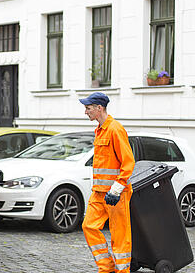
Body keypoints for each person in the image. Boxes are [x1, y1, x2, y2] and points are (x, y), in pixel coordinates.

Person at [79, 92, 135, 273]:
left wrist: (117, 189)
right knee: (88, 226)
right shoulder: (100, 129)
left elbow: (128, 162)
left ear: (99, 108)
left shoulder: (115, 129)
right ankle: (107, 267)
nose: (86, 112)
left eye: (88, 108)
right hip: (99, 192)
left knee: (119, 236)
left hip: (116, 193)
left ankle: (121, 271)